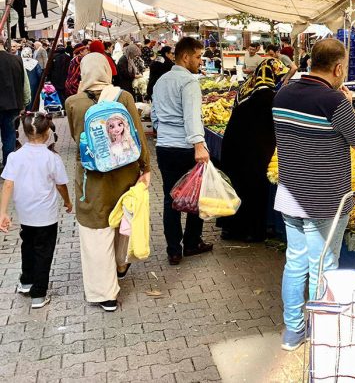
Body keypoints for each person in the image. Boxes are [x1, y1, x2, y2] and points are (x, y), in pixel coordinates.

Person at [272, 38, 355, 350]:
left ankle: (293, 331)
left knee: (295, 263)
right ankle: (322, 333)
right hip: (324, 200)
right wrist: (349, 104)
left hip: (290, 195)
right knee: (322, 266)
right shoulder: (334, 101)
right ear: (338, 67)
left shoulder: (282, 94)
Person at [66, 52, 151, 312]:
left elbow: (75, 137)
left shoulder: (72, 102)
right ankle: (121, 264)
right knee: (123, 217)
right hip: (125, 172)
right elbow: (138, 134)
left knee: (96, 229)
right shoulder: (123, 96)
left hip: (93, 177)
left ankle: (105, 293)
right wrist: (146, 168)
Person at [0, 112, 72, 309]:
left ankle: (26, 281)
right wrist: (68, 202)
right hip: (46, 216)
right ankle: (38, 293)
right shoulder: (52, 158)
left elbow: (7, 184)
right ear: (47, 131)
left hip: (25, 213)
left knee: (28, 246)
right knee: (43, 252)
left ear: (23, 131)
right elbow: (61, 185)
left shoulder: (14, 156)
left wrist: (3, 212)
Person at [151, 37, 212, 266]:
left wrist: (163, 131)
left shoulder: (161, 81)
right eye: (198, 57)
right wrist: (199, 145)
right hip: (186, 147)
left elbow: (155, 115)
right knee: (195, 196)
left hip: (165, 147)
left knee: (171, 198)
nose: (200, 61)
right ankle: (193, 242)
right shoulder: (189, 82)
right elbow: (192, 116)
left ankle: (173, 250)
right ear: (185, 57)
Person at [219, 57, 287, 242]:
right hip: (253, 152)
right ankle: (252, 232)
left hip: (235, 147)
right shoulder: (268, 96)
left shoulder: (246, 89)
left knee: (236, 187)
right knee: (253, 190)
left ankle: (231, 229)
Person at [0, 38, 29, 166]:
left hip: (9, 104)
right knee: (9, 136)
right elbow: (25, 84)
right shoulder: (16, 60)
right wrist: (25, 102)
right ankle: (8, 166)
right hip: (12, 104)